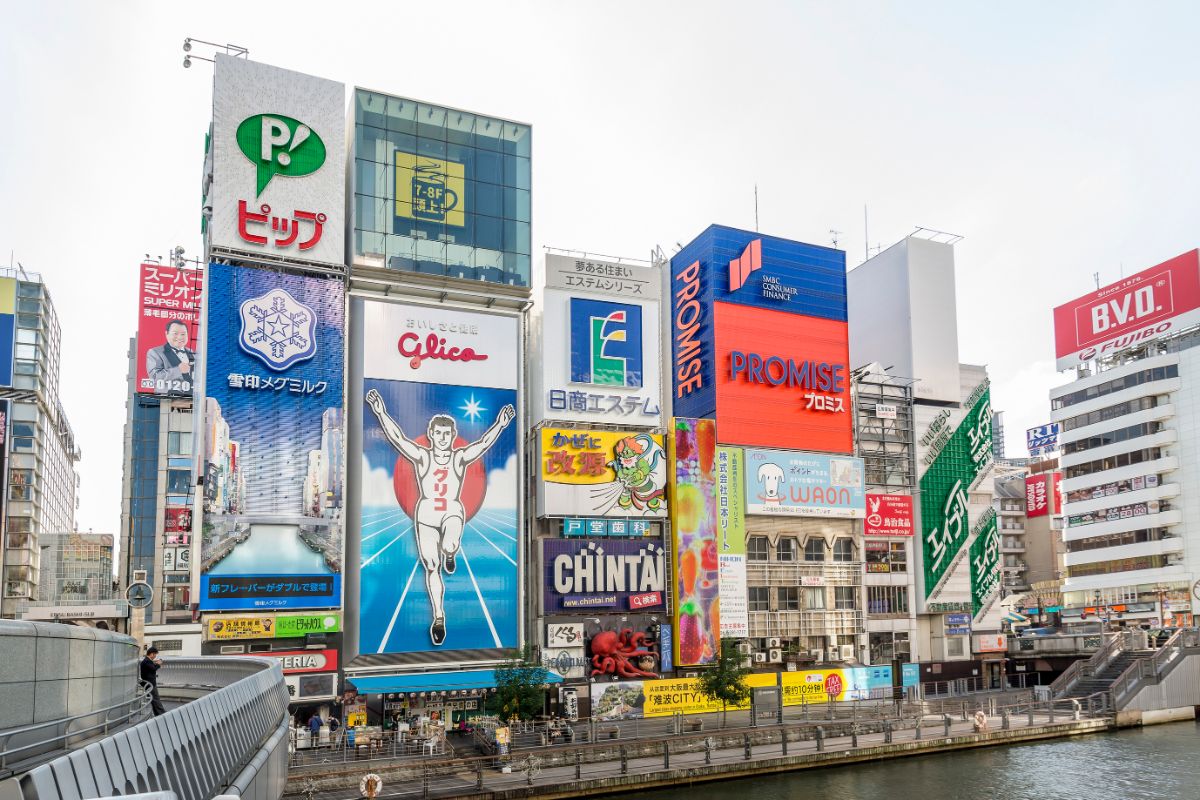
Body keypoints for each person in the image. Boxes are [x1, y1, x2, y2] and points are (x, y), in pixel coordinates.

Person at [365, 389, 514, 646]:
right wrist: (380, 411)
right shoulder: (422, 457)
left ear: (453, 436)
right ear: (431, 435)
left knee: (449, 543)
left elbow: (482, 445)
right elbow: (397, 438)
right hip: (426, 514)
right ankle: (439, 616)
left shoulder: (459, 458)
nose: (443, 438)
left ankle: (450, 552)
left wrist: (500, 424)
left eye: (448, 434)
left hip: (452, 511)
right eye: (439, 433)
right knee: (431, 567)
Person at [144, 319, 195, 394]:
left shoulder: (192, 352)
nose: (180, 337)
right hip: (167, 398)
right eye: (175, 333)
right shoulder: (155, 352)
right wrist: (178, 370)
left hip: (192, 399)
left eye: (183, 334)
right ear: (167, 334)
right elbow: (154, 377)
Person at [140, 647, 165, 716]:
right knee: (156, 700)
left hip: (150, 684)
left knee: (154, 700)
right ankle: (162, 714)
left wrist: (155, 663)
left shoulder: (147, 661)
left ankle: (158, 714)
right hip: (150, 684)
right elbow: (153, 669)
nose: (155, 656)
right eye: (155, 654)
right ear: (152, 654)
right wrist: (158, 664)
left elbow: (151, 668)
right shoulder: (146, 661)